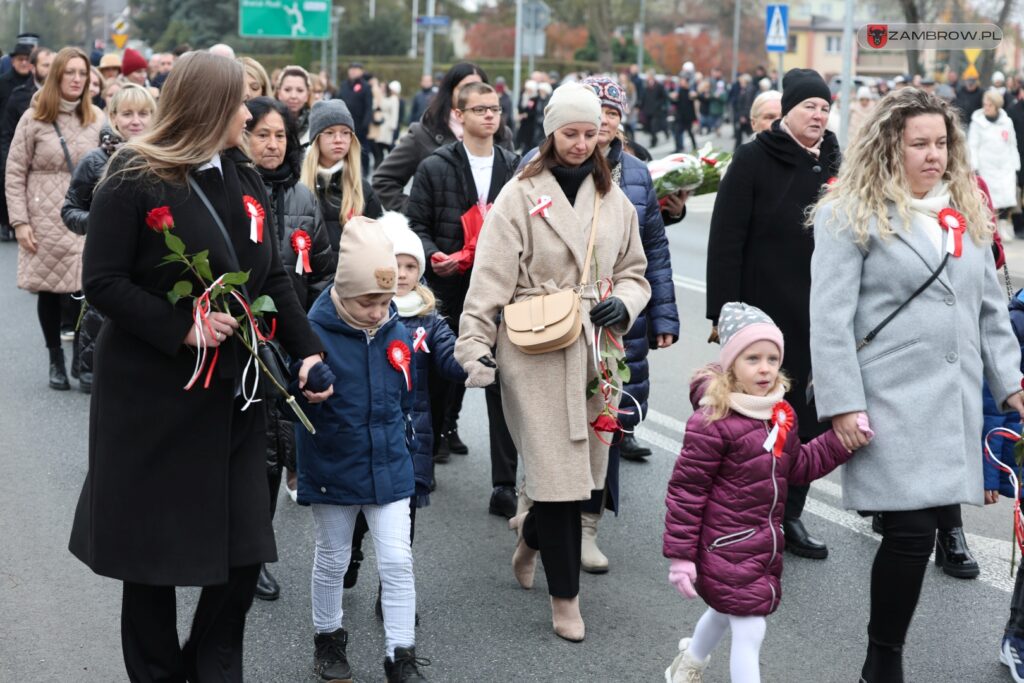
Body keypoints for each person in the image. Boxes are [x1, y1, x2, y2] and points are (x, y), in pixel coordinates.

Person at [68, 51, 332, 681]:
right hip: (152, 398)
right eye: (239, 102)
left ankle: (211, 667)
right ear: (210, 107)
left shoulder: (239, 172)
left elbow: (269, 271)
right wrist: (180, 325)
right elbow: (101, 282)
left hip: (229, 400)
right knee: (151, 561)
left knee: (243, 555)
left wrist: (308, 349)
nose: (250, 112)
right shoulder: (133, 176)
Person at [808, 86, 1024, 683]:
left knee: (925, 531)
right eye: (919, 144)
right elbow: (829, 319)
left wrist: (1012, 386)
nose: (934, 154)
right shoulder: (847, 211)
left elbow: (989, 312)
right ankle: (883, 661)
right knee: (908, 531)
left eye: (941, 142)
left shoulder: (965, 211)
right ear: (889, 147)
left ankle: (882, 658)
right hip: (888, 398)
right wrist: (844, 405)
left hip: (952, 401)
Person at [454, 83, 651, 641]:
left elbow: (636, 272)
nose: (582, 143)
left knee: (583, 480)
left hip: (595, 350)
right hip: (534, 347)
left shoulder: (614, 199)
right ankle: (566, 601)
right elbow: (488, 277)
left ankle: (530, 538)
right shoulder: (519, 195)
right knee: (557, 476)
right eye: (571, 132)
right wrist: (474, 344)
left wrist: (626, 302)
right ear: (549, 132)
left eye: (592, 133)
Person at [663, 303, 862, 683]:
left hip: (760, 544)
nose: (765, 367)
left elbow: (799, 465)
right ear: (731, 364)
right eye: (752, 358)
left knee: (725, 612)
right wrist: (680, 556)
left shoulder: (778, 411)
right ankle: (689, 665)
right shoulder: (713, 420)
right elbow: (686, 494)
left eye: (772, 358)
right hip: (723, 544)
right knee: (750, 628)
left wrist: (840, 442)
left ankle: (687, 665)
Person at [706, 68, 840, 560]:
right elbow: (725, 239)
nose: (819, 116)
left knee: (807, 418)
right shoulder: (754, 157)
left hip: (819, 310)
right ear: (788, 110)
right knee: (755, 418)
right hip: (764, 309)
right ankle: (744, 513)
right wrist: (722, 312)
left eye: (825, 108)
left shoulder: (832, 157)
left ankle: (790, 515)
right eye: (810, 107)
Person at [293, 217, 429, 683]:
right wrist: (306, 379)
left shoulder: (396, 323)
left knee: (397, 559)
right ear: (342, 292)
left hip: (389, 461)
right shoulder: (311, 331)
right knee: (333, 557)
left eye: (385, 300)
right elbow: (289, 403)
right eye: (367, 301)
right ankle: (328, 639)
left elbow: (408, 396)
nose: (377, 311)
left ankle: (400, 656)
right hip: (334, 461)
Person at [568, 75, 679, 572]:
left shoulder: (636, 173)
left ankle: (589, 526)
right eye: (598, 112)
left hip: (619, 320)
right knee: (557, 424)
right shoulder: (548, 166)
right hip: (561, 317)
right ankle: (537, 505)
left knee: (605, 426)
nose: (606, 121)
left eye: (613, 112)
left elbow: (653, 250)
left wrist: (661, 314)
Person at [405, 81, 521, 515]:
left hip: (500, 290)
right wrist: (433, 253)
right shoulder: (436, 166)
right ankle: (430, 449)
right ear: (459, 115)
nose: (490, 116)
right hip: (449, 287)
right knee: (440, 373)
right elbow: (415, 222)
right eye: (480, 109)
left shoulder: (513, 165)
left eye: (495, 109)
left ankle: (504, 485)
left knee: (501, 379)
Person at [344, 213, 469, 597]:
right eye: (394, 264)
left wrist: (473, 361)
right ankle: (351, 553)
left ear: (420, 272)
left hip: (411, 436)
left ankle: (391, 589)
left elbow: (449, 355)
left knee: (404, 517)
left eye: (410, 265)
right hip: (367, 430)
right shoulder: (360, 312)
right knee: (362, 510)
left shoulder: (428, 319)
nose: (401, 273)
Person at [245, 95, 336, 599]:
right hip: (236, 339)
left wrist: (313, 341)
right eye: (263, 135)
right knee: (242, 449)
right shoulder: (230, 189)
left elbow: (321, 273)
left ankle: (255, 551)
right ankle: (232, 543)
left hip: (287, 344)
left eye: (281, 136)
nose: (273, 145)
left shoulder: (303, 198)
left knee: (275, 452)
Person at [5, 46, 104, 390]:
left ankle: (80, 355)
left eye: (83, 73)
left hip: (84, 213)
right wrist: (19, 221)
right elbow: (15, 171)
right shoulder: (33, 119)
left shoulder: (97, 119)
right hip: (43, 214)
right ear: (56, 75)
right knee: (49, 290)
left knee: (83, 288)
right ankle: (55, 360)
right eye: (70, 73)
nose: (77, 79)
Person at [61, 83, 157, 393]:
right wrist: (100, 223)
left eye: (143, 114)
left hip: (148, 259)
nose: (135, 121)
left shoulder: (163, 158)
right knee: (98, 315)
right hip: (107, 256)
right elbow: (70, 210)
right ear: (113, 117)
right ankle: (89, 370)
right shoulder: (94, 161)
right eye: (127, 114)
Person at [372, 62, 513, 212]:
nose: (473, 94)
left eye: (479, 87)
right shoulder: (424, 134)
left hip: (491, 231)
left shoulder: (501, 135)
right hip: (442, 233)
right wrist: (417, 214)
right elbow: (384, 181)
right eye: (465, 88)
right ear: (450, 92)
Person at [300, 98, 383, 255]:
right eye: (330, 133)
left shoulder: (363, 189)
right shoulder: (298, 185)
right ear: (316, 139)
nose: (338, 140)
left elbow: (379, 242)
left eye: (345, 133)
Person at [969, 89, 1020, 243]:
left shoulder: (1007, 122)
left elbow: (1012, 143)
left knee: (1006, 198)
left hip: (1005, 166)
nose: (986, 107)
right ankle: (992, 227)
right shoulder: (978, 123)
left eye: (990, 104)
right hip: (987, 167)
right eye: (985, 104)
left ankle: (1004, 226)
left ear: (997, 105)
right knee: (991, 199)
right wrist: (974, 166)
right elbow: (972, 146)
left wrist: (1015, 164)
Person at [337, 62, 374, 170]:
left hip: (360, 125)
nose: (353, 71)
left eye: (356, 69)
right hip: (344, 123)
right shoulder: (344, 85)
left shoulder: (366, 87)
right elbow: (338, 100)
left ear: (361, 72)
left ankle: (365, 171)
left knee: (363, 150)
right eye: (351, 69)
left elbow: (369, 107)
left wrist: (365, 124)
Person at [275, 65, 312, 141]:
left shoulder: (316, 124)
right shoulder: (267, 121)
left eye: (300, 90)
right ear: (279, 93)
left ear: (307, 95)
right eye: (287, 90)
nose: (293, 96)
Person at [372, 80, 401, 168]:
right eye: (380, 87)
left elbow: (394, 113)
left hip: (388, 127)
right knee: (377, 149)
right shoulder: (377, 97)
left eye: (384, 87)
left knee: (390, 148)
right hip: (378, 125)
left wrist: (393, 127)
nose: (382, 89)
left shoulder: (393, 98)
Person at [640, 71, 668, 147]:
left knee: (653, 127)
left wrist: (658, 104)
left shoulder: (659, 86)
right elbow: (643, 97)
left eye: (648, 76)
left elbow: (664, 97)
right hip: (647, 110)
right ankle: (654, 138)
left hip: (656, 111)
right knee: (648, 127)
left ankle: (654, 140)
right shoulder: (646, 86)